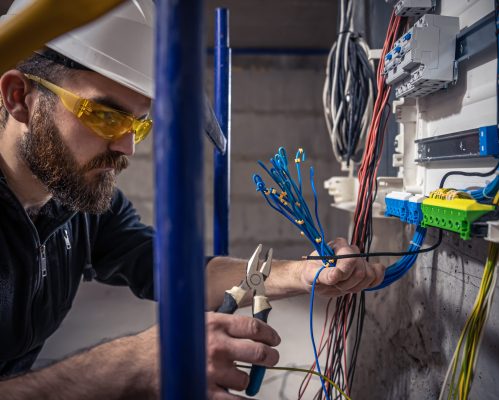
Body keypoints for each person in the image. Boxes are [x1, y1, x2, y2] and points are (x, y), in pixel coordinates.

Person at [0, 0, 385, 399]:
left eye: (139, 124)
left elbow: (170, 271)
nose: (128, 146)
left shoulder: (77, 203)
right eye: (106, 116)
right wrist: (129, 363)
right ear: (18, 97)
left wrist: (302, 274)